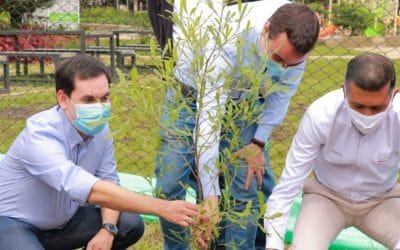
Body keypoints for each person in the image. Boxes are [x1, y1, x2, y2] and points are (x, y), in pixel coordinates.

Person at [154, 0, 320, 249]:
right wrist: (211, 197)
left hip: (243, 103)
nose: (282, 68)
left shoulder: (298, 42)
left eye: (290, 64)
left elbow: (280, 97)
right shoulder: (228, 42)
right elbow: (208, 124)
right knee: (169, 186)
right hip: (186, 96)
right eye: (277, 58)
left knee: (245, 187)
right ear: (266, 29)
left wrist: (258, 142)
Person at [0, 54, 199, 250]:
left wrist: (107, 230)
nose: (99, 107)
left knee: (129, 224)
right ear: (63, 98)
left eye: (104, 98)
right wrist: (162, 207)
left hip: (62, 225)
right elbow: (91, 189)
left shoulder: (99, 128)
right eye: (88, 100)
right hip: (12, 222)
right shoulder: (40, 136)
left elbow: (109, 181)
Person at [265, 53, 400, 250]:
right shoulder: (320, 114)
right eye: (358, 106)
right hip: (327, 198)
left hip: (383, 199)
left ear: (394, 95)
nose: (367, 116)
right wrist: (273, 245)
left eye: (378, 108)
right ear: (344, 91)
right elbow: (289, 185)